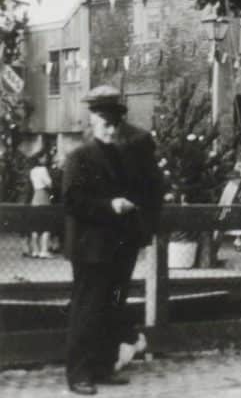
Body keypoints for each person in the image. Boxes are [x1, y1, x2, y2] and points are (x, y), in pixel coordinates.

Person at [63, 86, 163, 394]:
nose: (111, 128)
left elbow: (145, 188)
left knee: (113, 308)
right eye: (105, 121)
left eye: (115, 122)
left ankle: (103, 367)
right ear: (92, 120)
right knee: (87, 310)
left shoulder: (123, 157)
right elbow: (73, 202)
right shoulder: (79, 157)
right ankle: (79, 374)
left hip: (121, 246)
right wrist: (110, 206)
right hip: (91, 248)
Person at [29, 151, 54, 258]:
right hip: (43, 195)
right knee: (46, 224)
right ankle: (44, 250)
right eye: (44, 157)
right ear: (40, 159)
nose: (46, 159)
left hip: (35, 196)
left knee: (35, 225)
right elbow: (49, 183)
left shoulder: (32, 171)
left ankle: (35, 250)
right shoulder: (43, 169)